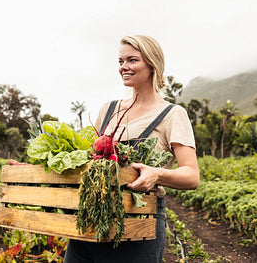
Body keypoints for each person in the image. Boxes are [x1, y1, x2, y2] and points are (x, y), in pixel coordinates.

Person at [63, 35, 199, 263]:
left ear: (152, 63)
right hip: (92, 221)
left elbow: (192, 175)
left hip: (139, 225)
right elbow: (87, 161)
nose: (123, 67)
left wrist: (157, 174)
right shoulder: (108, 110)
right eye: (120, 61)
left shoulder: (173, 115)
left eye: (132, 60)